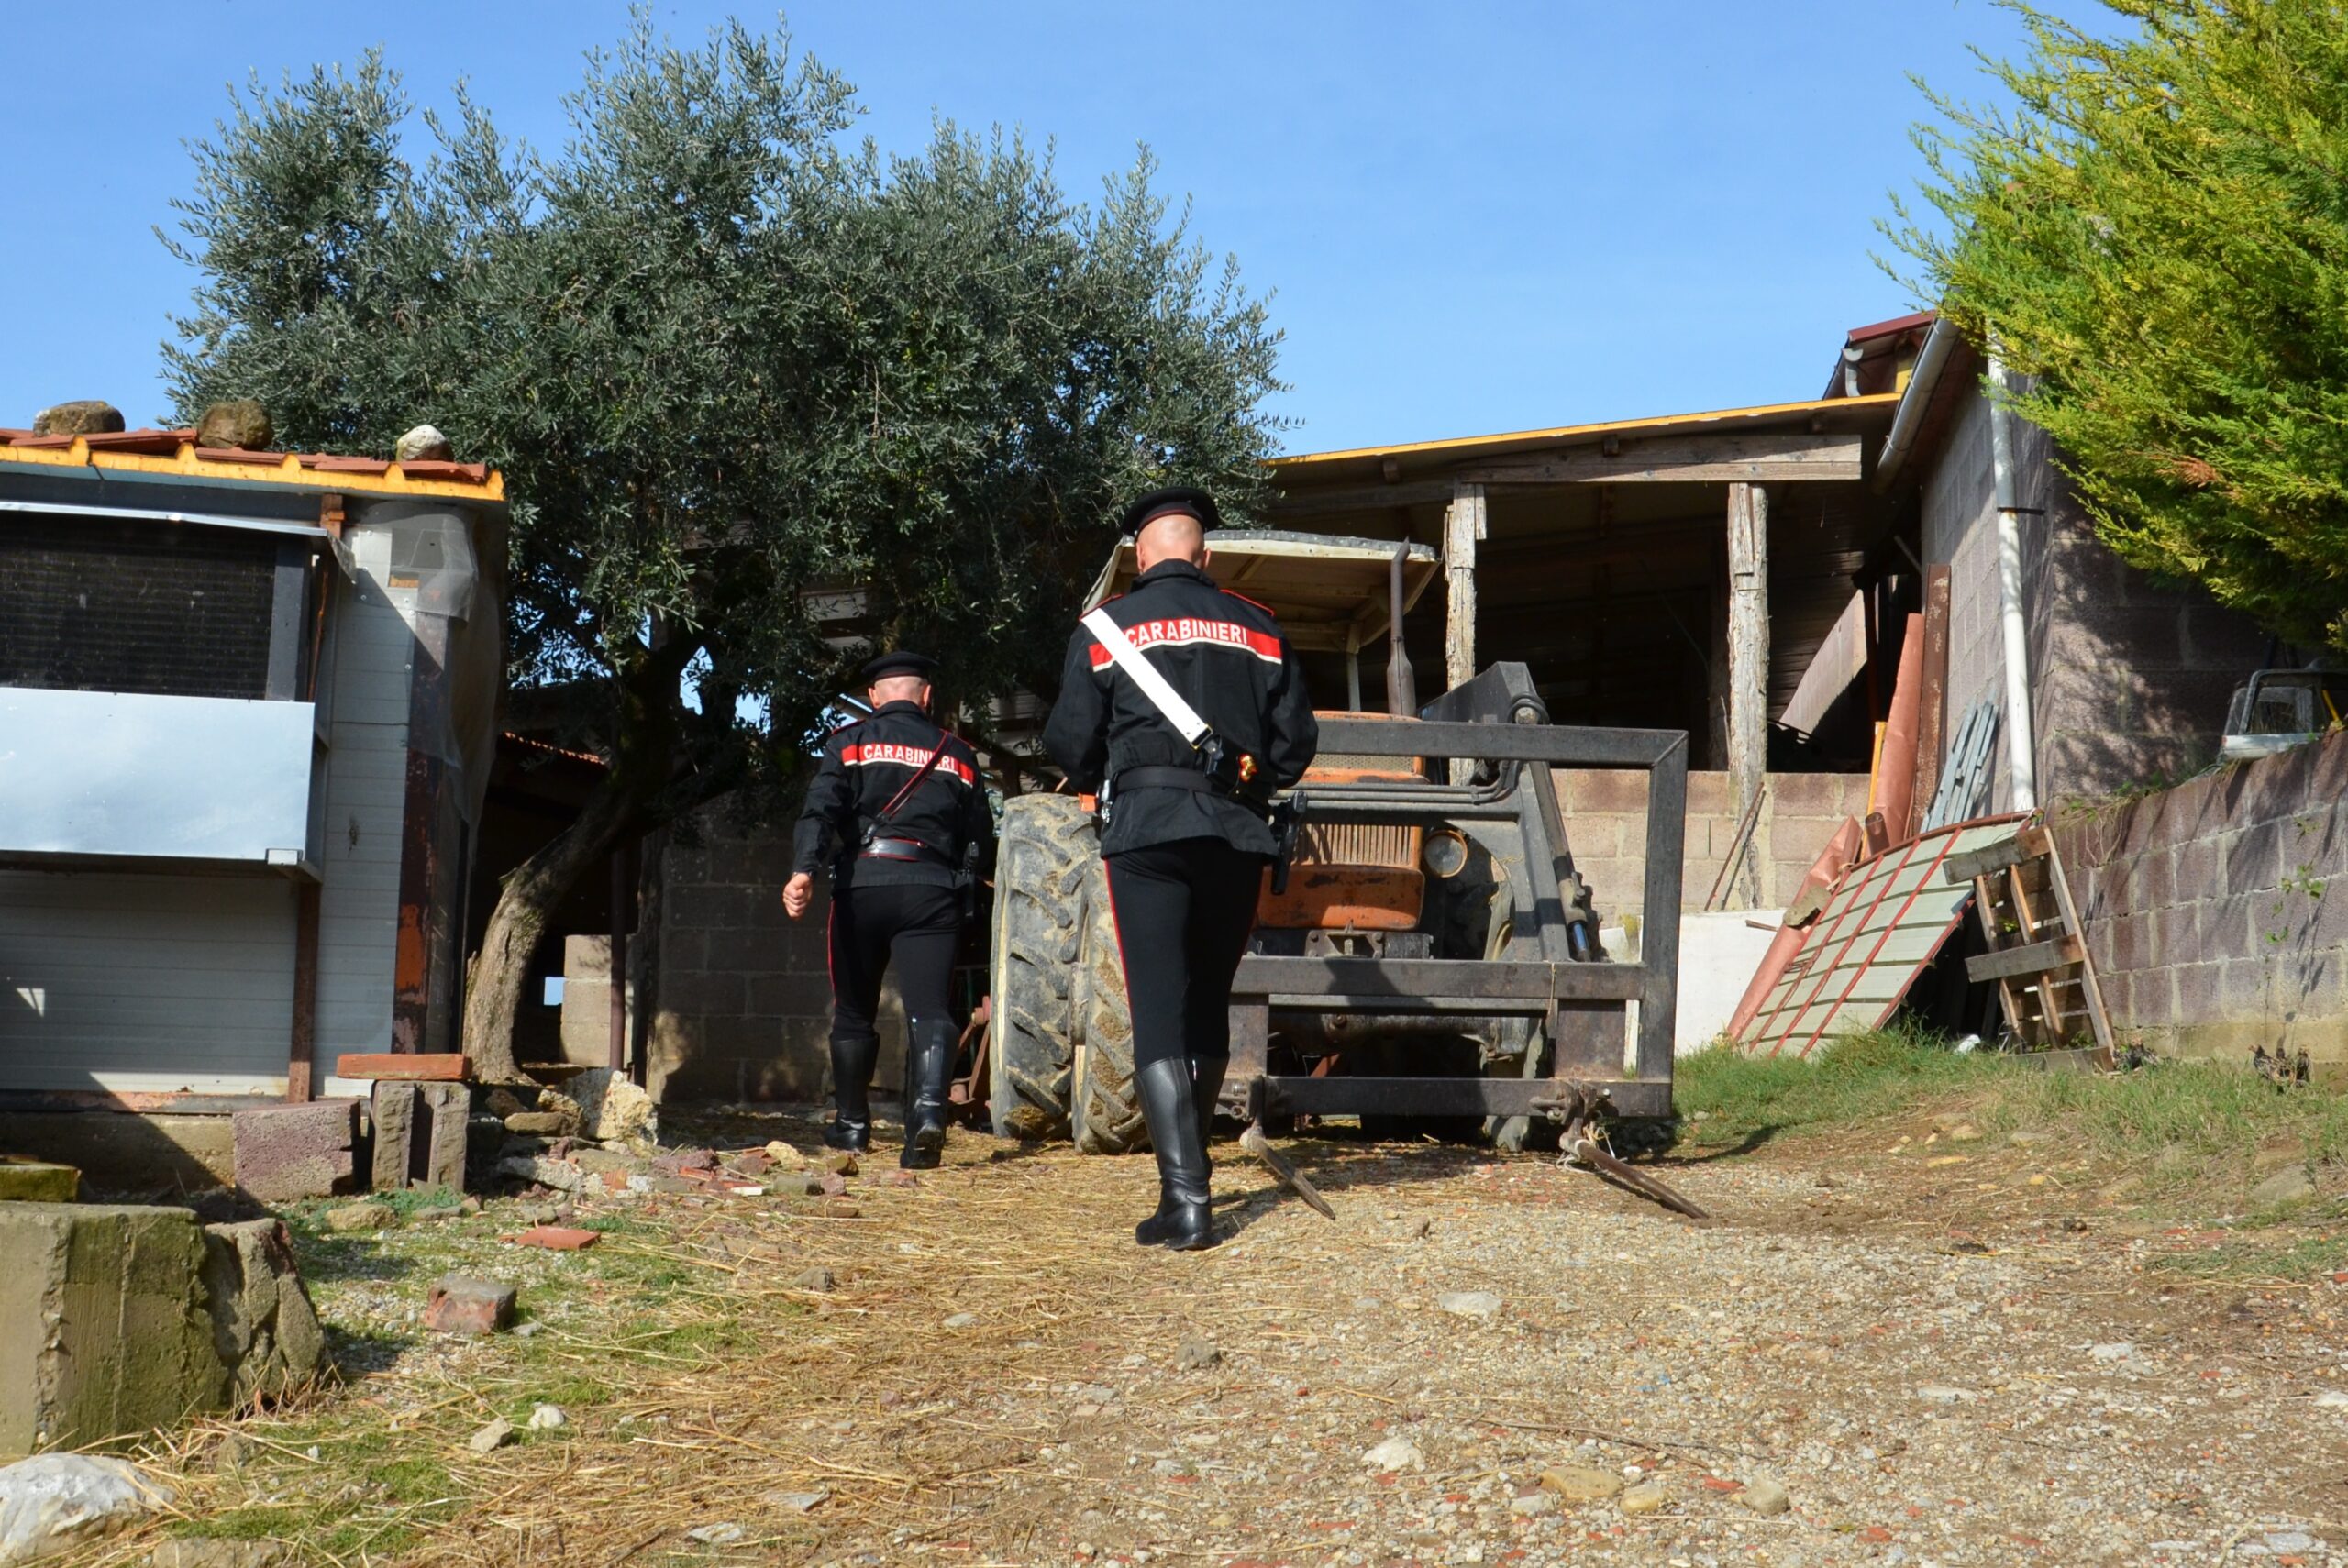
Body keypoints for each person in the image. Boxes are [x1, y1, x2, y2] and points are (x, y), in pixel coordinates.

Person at [1043, 487, 1318, 1249]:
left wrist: (1124, 764)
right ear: (1205, 556)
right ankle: (1187, 1188)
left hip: (1147, 834)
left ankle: (1187, 1201)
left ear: (1141, 554)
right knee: (1206, 1007)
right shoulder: (1260, 628)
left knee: (1159, 1012)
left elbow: (1069, 744)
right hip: (1234, 835)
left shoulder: (1105, 627)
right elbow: (1294, 748)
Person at [784, 651, 992, 1169]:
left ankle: (852, 1127)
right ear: (926, 696)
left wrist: (803, 870)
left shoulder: (848, 743)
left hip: (863, 889)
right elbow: (980, 839)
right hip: (931, 892)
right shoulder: (959, 754)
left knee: (854, 1010)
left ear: (875, 697)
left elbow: (820, 812)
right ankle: (925, 1117)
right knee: (931, 1010)